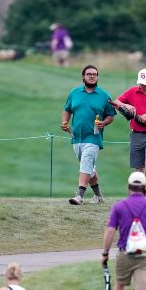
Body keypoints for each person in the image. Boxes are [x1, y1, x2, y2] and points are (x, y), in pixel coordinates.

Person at [62, 64, 115, 205]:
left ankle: (79, 196)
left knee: (86, 163)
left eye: (95, 74)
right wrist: (65, 122)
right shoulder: (74, 93)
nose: (92, 76)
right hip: (77, 137)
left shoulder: (104, 95)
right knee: (89, 168)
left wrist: (103, 123)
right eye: (89, 74)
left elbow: (111, 115)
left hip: (94, 137)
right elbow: (67, 109)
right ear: (83, 76)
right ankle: (98, 197)